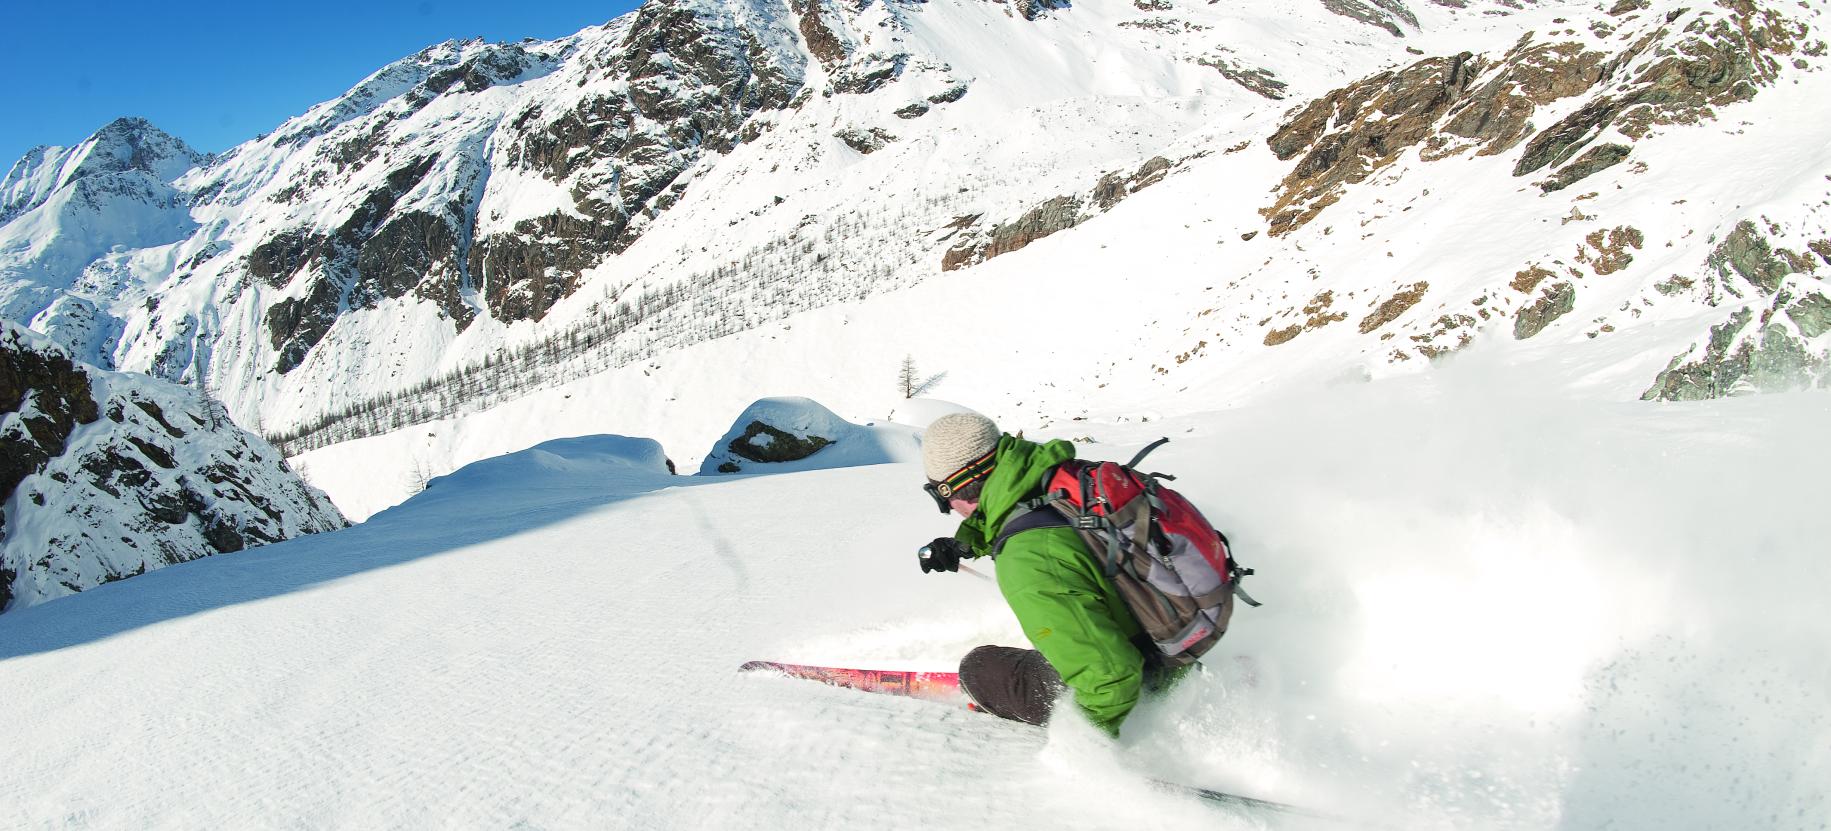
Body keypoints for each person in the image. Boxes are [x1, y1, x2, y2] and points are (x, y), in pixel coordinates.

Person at [917, 412, 1175, 736]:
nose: (948, 509)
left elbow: (1111, 679)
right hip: (1177, 639)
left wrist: (1080, 751)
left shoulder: (1028, 561)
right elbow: (1029, 513)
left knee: (979, 667)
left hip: (1147, 680)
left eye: (941, 497)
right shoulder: (1063, 480)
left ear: (956, 488)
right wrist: (962, 545)